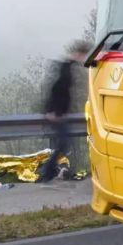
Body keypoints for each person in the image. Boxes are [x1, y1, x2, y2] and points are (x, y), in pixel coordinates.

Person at [38, 39, 91, 182]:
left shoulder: (68, 66)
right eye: (84, 55)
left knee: (64, 144)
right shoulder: (65, 67)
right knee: (63, 144)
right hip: (56, 114)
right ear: (80, 54)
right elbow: (57, 89)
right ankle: (46, 174)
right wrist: (52, 111)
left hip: (60, 114)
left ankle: (48, 173)